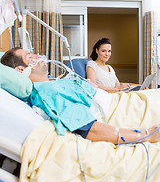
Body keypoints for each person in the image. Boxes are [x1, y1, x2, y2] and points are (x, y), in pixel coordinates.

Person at [1, 47, 160, 145]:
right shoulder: (47, 91)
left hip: (125, 102)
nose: (37, 55)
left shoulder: (54, 83)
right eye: (30, 57)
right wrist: (145, 136)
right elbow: (90, 130)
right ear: (22, 70)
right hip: (121, 112)